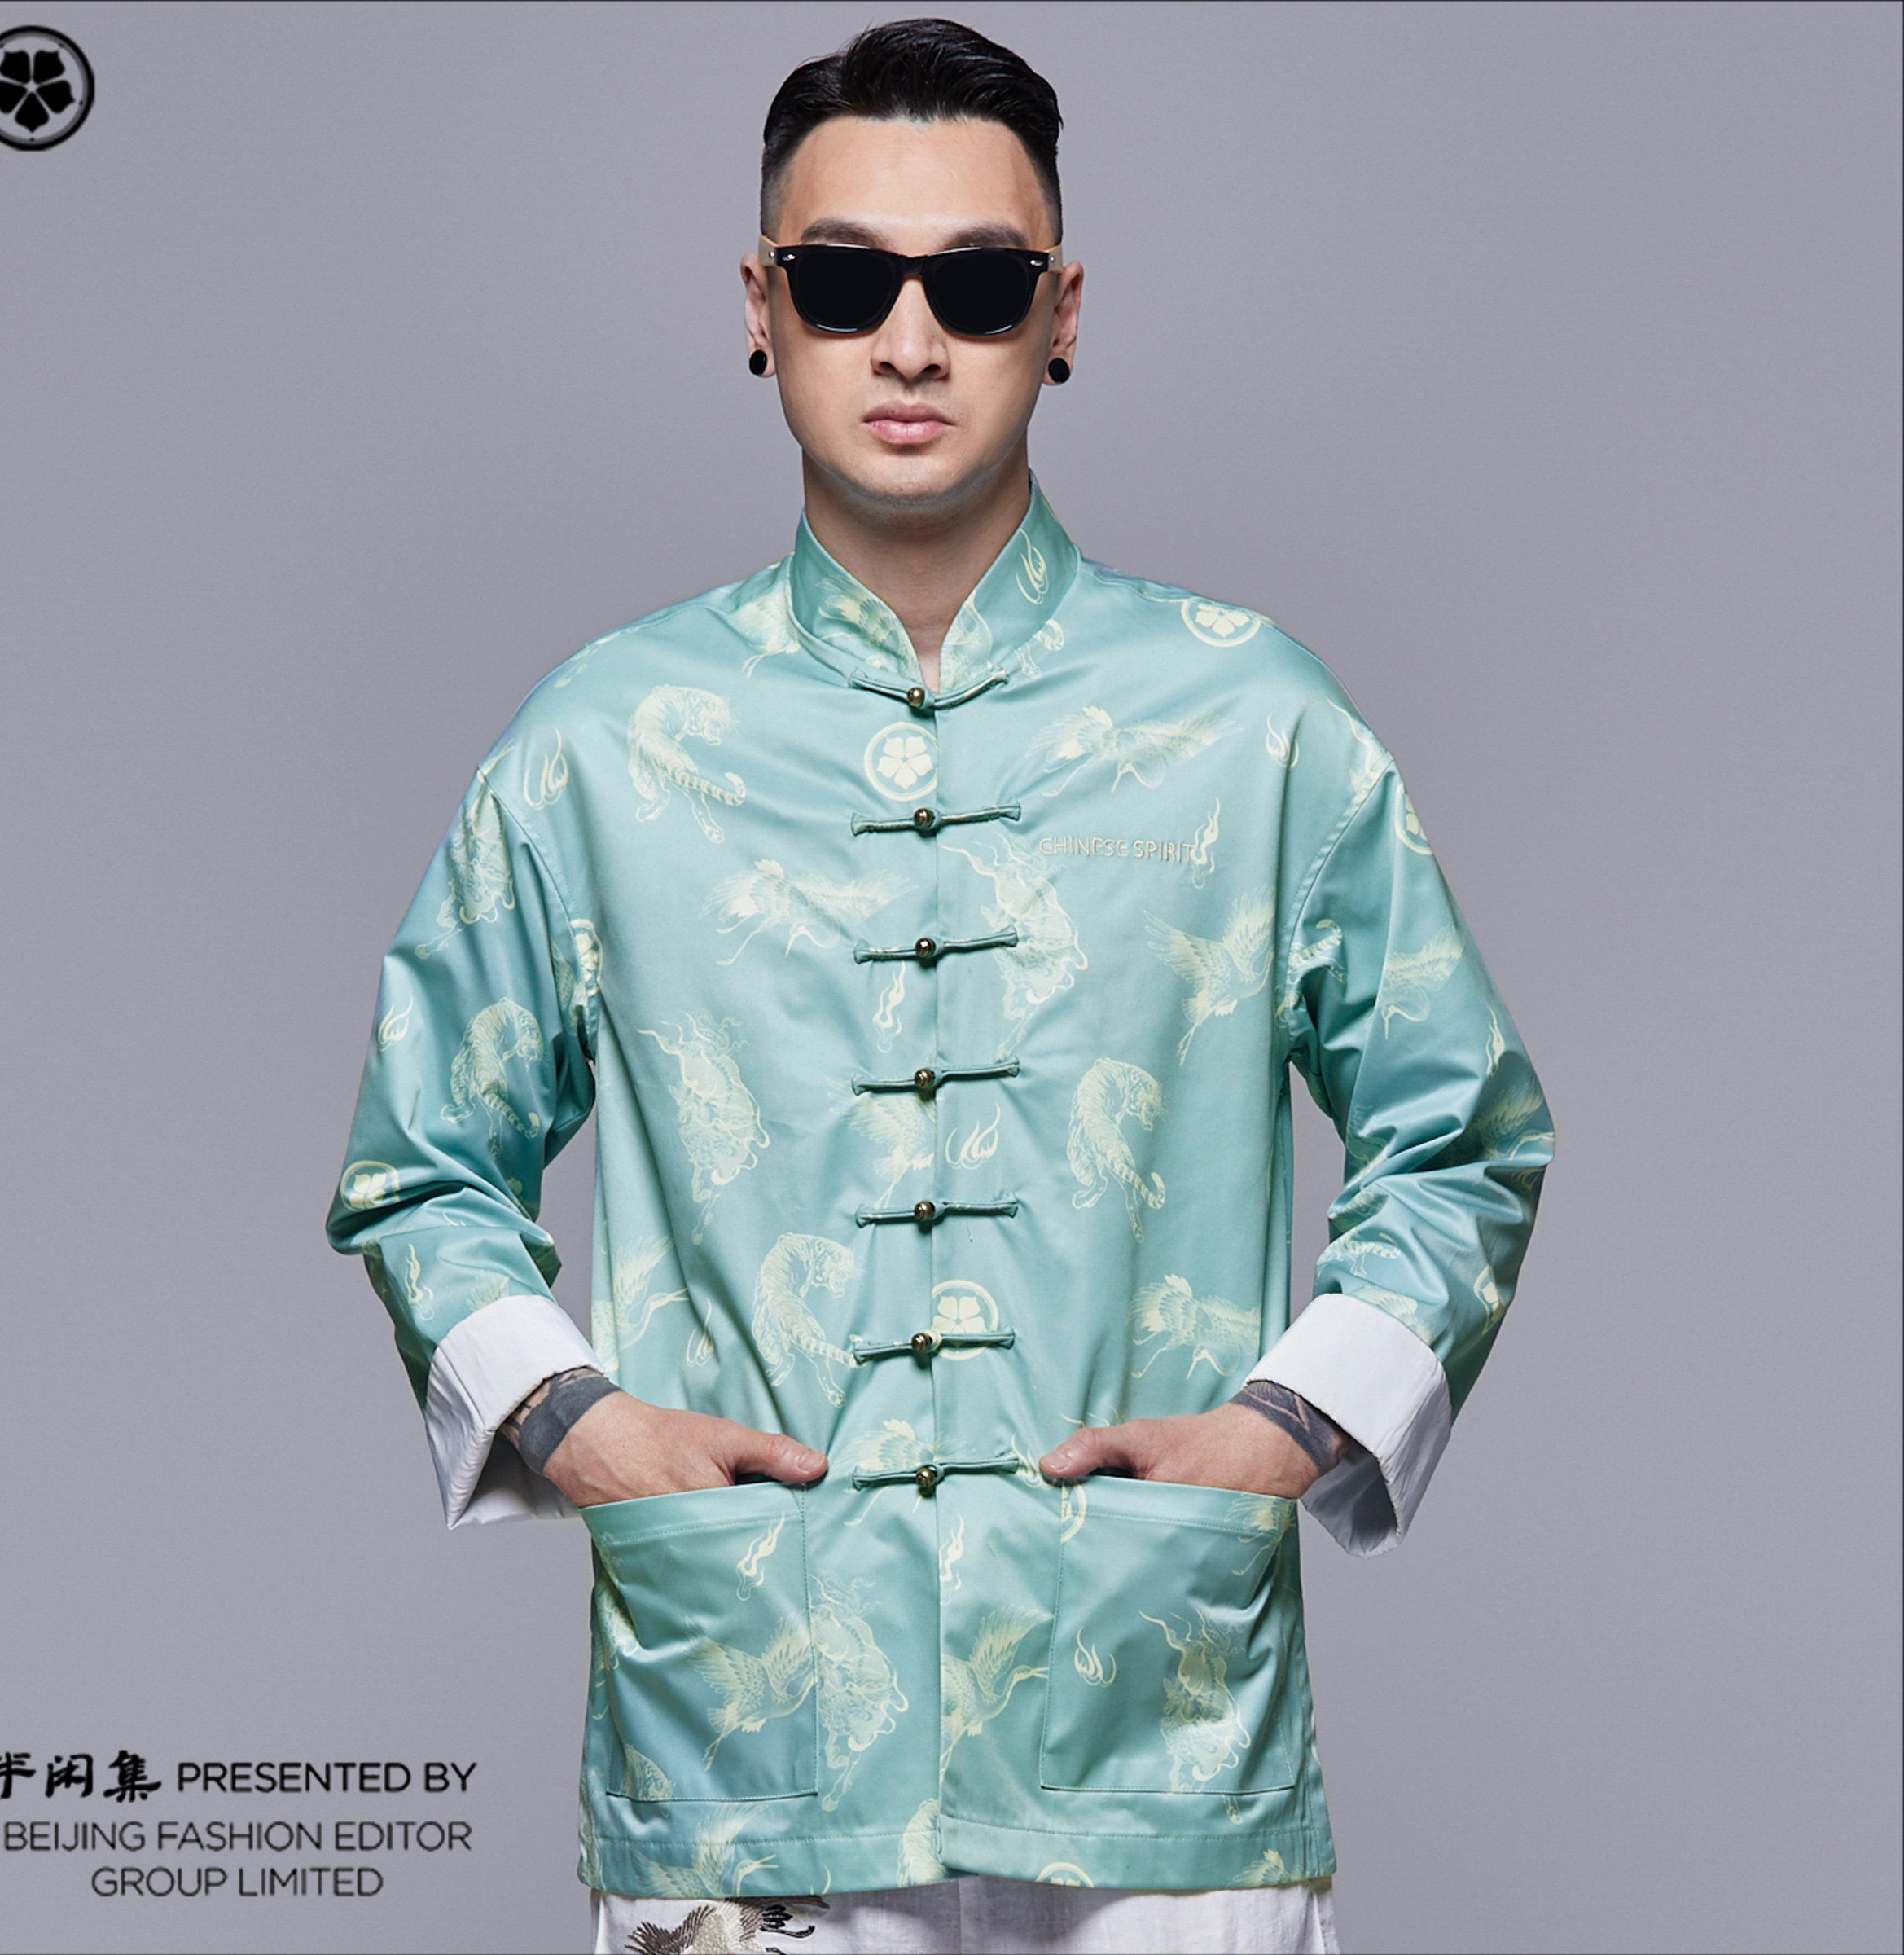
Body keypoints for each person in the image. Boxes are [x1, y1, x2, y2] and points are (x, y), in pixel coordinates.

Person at [326, 18, 1554, 1954]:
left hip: (1161, 1750)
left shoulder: (1251, 720)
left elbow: (1461, 1135)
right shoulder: (603, 743)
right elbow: (418, 1168)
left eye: (977, 286)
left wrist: (1287, 1426)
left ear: (1062, 318)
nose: (910, 341)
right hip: (745, 1740)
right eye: (845, 282)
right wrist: (575, 1419)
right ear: (760, 309)